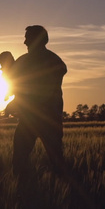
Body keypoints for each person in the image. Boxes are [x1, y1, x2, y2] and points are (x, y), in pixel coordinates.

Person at [7, 25, 68, 182]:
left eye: (28, 38)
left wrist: (19, 102)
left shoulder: (53, 62)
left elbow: (45, 90)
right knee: (19, 158)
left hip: (47, 119)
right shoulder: (25, 61)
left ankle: (62, 194)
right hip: (31, 119)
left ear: (38, 40)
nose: (24, 42)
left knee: (56, 161)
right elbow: (18, 85)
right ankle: (24, 191)